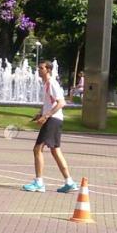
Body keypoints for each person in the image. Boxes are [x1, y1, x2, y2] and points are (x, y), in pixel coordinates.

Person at [23, 61, 77, 193]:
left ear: (48, 70)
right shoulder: (47, 84)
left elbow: (61, 103)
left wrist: (46, 116)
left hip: (52, 120)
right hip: (54, 119)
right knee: (55, 150)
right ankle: (69, 182)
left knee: (37, 149)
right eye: (38, 68)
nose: (38, 70)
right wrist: (40, 114)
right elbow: (51, 103)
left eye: (41, 68)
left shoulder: (51, 83)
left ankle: (39, 183)